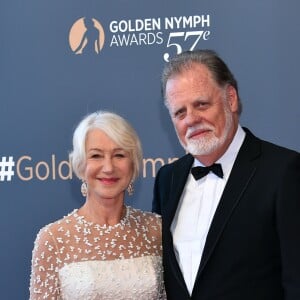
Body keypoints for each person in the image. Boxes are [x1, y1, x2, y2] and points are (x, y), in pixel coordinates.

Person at [152, 49, 300, 299]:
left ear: (230, 98)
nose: (191, 119)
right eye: (180, 112)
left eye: (201, 104)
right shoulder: (168, 179)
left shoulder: (284, 171)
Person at [30, 111, 166, 300]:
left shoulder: (156, 230)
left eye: (119, 155)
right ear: (80, 165)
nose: (109, 167)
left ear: (133, 165)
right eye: (96, 156)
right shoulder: (52, 240)